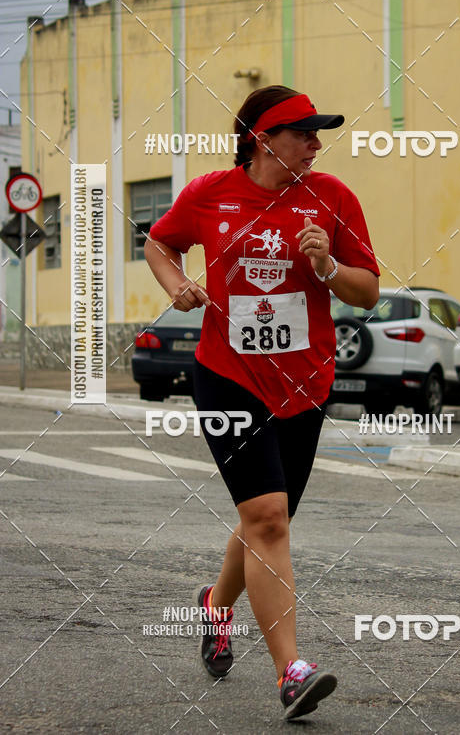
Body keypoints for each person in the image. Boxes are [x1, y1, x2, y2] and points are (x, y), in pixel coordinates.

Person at [145, 85, 379, 720]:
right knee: (269, 519)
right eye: (304, 132)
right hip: (227, 376)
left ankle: (216, 605)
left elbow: (368, 292)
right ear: (264, 138)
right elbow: (159, 242)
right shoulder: (209, 193)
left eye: (318, 133)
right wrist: (178, 284)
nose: (316, 143)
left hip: (306, 382)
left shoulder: (332, 197)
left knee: (264, 524)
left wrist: (328, 266)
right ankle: (292, 672)